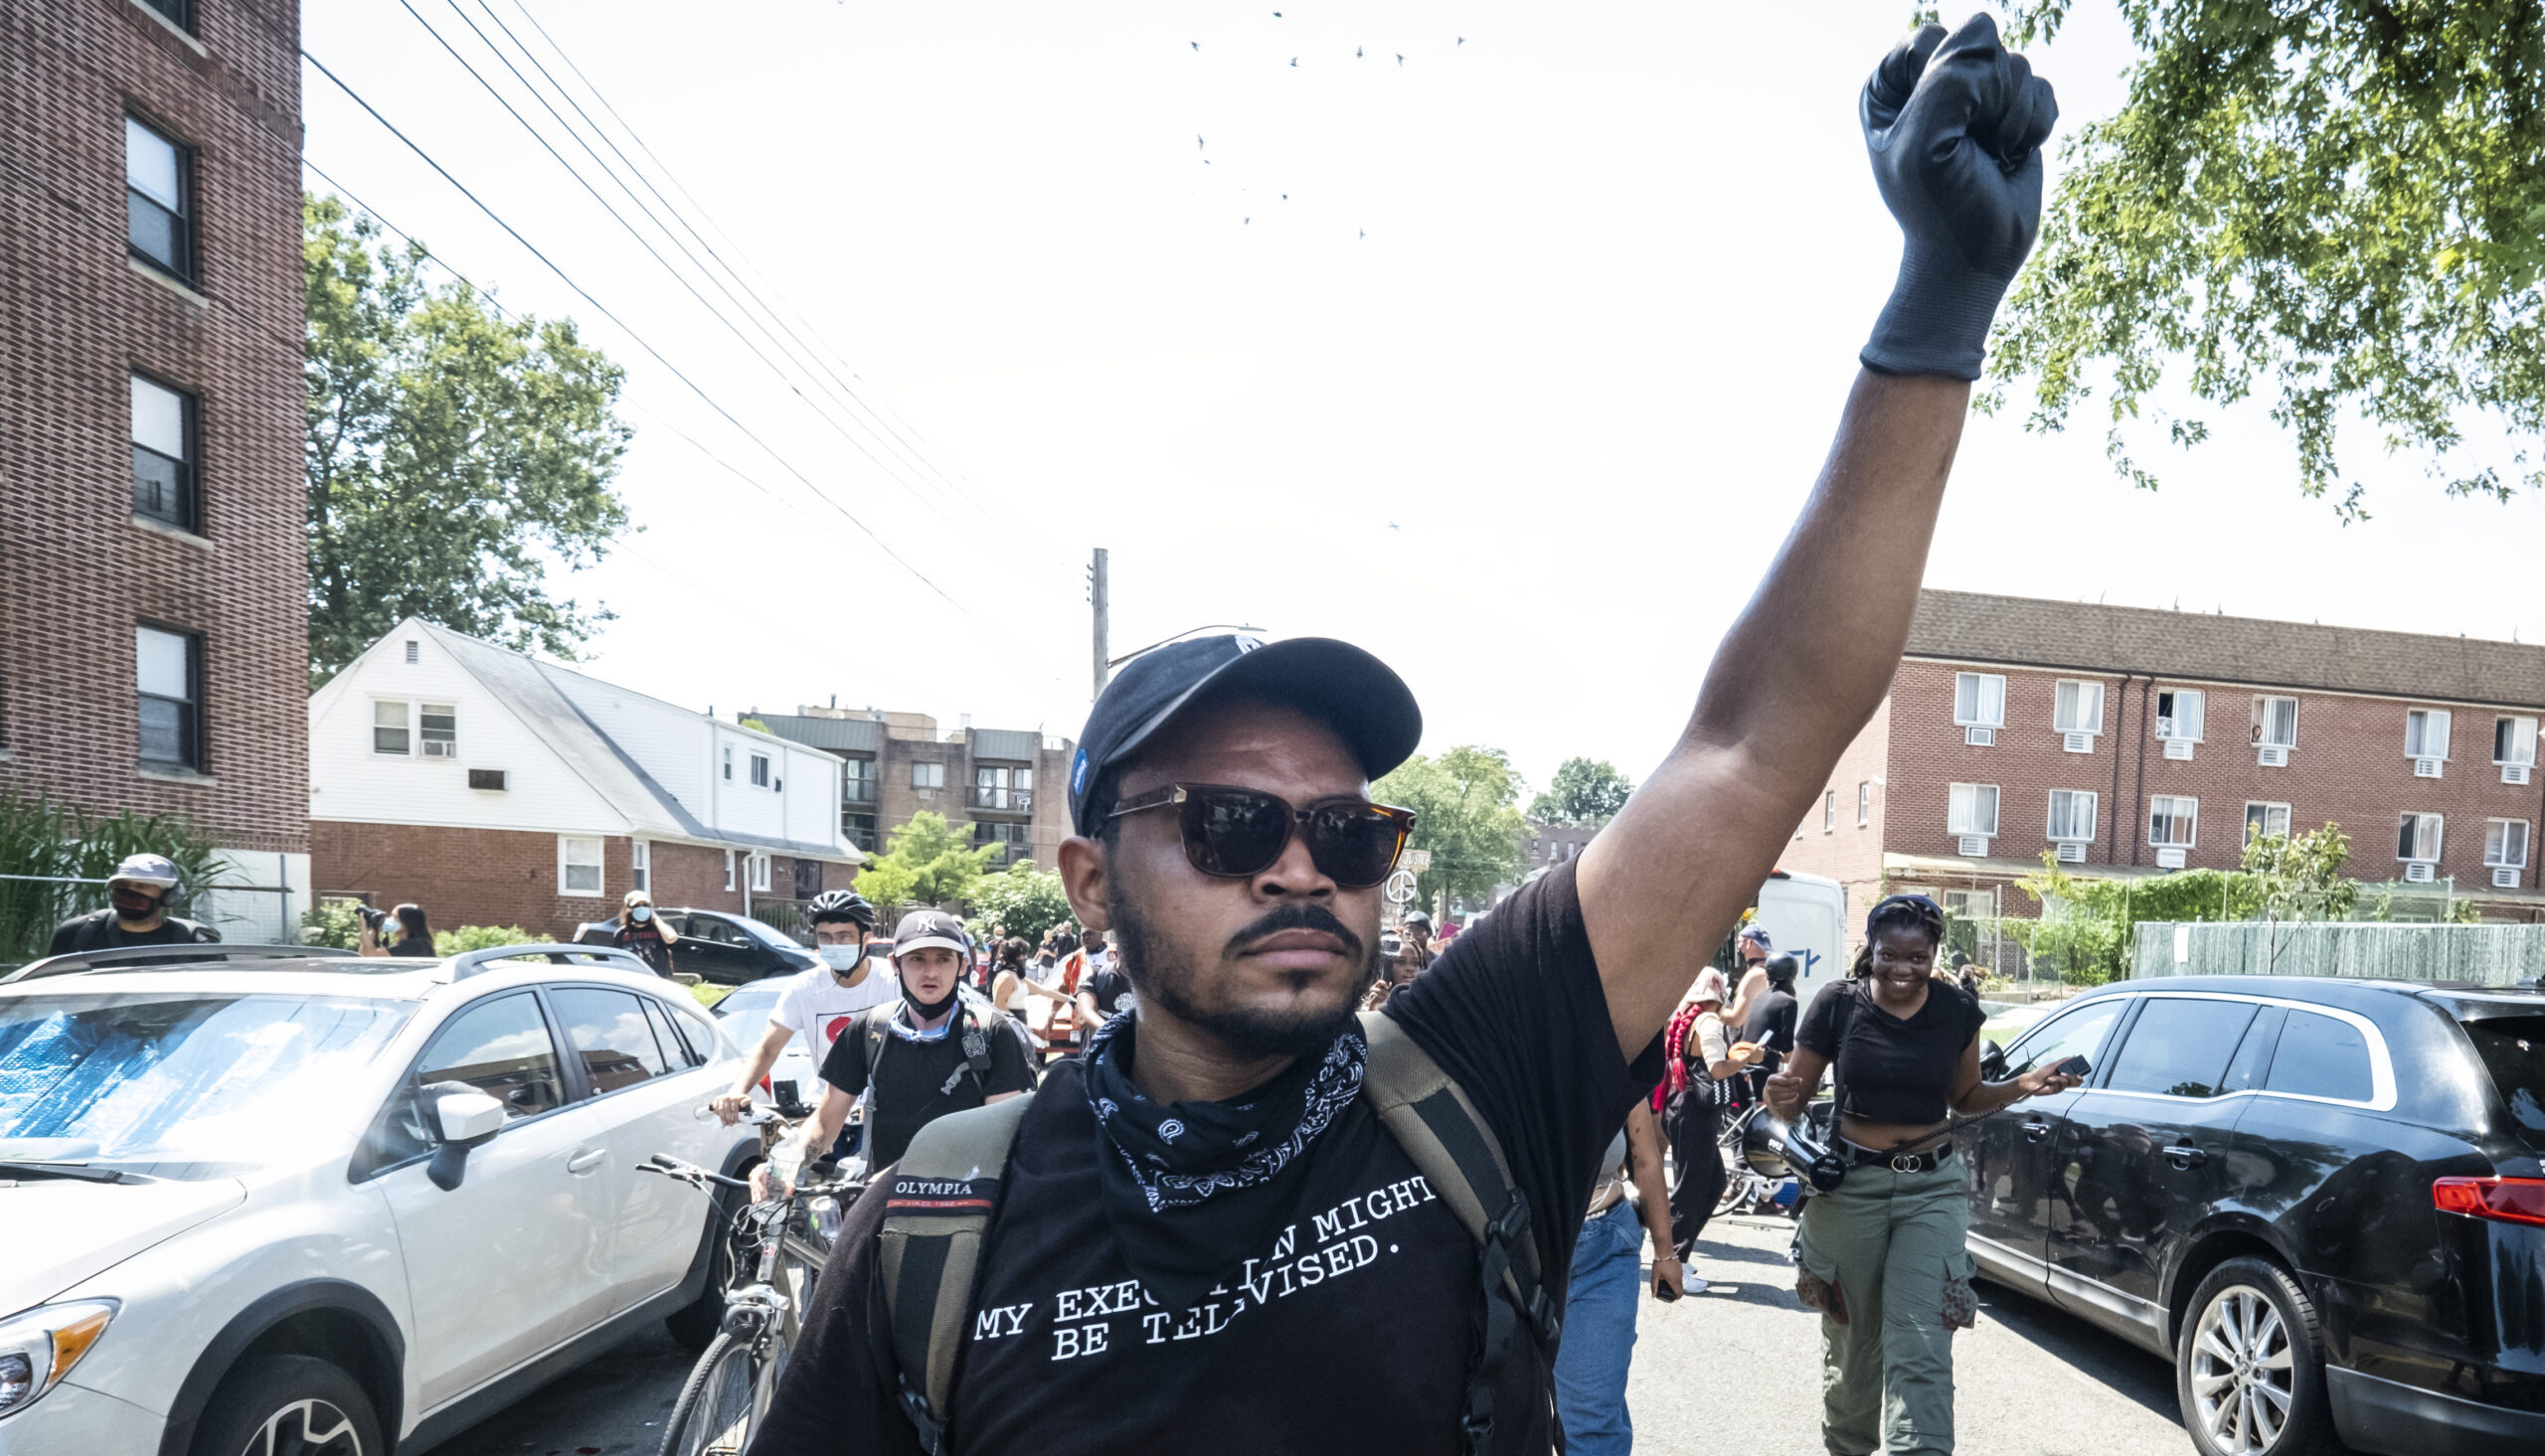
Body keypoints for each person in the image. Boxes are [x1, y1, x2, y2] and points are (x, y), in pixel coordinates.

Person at [749, 19, 2058, 1453]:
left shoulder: (1468, 1080)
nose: (1303, 867)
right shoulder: (937, 1229)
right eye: (1231, 824)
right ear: (1086, 880)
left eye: (1350, 830)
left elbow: (1755, 739)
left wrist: (1938, 301)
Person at [1764, 893, 2084, 1456]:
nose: (1903, 970)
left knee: (1922, 1340)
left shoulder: (1956, 1009)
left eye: (1918, 957)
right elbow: (1793, 1102)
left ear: (1935, 953)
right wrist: (1778, 1096)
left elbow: (1964, 1099)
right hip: (1850, 1190)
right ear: (1872, 948)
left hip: (1931, 1190)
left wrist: (2025, 1085)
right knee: (1853, 1344)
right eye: (1891, 955)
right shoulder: (1838, 1004)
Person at [760, 909, 1036, 1190]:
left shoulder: (990, 1032)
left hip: (967, 1204)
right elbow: (825, 1122)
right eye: (917, 959)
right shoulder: (867, 1030)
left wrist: (904, 1173)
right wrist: (783, 1165)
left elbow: (1000, 1136)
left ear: (963, 965)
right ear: (895, 964)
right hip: (883, 1205)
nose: (930, 972)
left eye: (943, 959)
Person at [1551, 1102, 1680, 1456]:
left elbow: (1645, 1157)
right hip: (1511, 1255)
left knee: (1592, 1423)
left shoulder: (1621, 1048)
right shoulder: (1496, 1045)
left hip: (1603, 1249)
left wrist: (1665, 1250)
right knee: (1495, 1417)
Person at [713, 890, 895, 1138]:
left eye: (844, 937)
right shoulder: (804, 987)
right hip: (822, 1111)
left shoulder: (893, 981)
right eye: (825, 938)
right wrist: (738, 1089)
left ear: (866, 938)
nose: (834, 945)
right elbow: (768, 1047)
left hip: (882, 1112)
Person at [1657, 968, 1761, 1274]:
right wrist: (1748, 1059)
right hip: (1695, 1112)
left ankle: (1680, 1256)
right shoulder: (1710, 1021)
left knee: (1714, 1183)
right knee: (1691, 1189)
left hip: (1680, 1105)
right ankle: (1673, 1262)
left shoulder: (1686, 1017)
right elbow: (1717, 1068)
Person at [48, 854, 217, 954]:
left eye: (141, 886)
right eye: (123, 885)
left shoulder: (193, 943)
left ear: (168, 895)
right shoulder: (75, 934)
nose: (130, 891)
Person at [1741, 952, 1802, 1090]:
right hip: (1763, 1069)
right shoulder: (1788, 1002)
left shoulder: (1758, 999)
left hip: (1743, 1063)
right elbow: (1787, 1049)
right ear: (1792, 972)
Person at [610, 890, 681, 976]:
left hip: (657, 980)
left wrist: (655, 918)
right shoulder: (621, 933)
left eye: (645, 905)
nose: (642, 908)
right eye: (637, 906)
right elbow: (616, 960)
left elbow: (671, 938)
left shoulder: (659, 929)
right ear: (629, 909)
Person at [358, 902, 436, 958]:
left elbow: (371, 956)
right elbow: (363, 955)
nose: (391, 920)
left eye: (395, 917)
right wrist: (374, 929)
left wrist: (363, 926)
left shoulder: (416, 945)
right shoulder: (407, 943)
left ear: (408, 921)